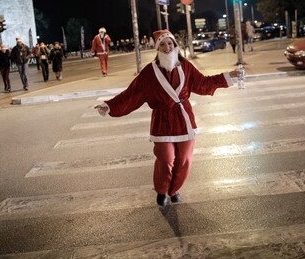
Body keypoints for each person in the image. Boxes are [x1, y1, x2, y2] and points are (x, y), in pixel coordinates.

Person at [95, 30, 239, 207]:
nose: (167, 47)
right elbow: (131, 95)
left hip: (184, 120)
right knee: (165, 159)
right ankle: (162, 191)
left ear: (175, 45)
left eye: (170, 43)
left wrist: (228, 77)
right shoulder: (149, 72)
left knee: (184, 159)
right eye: (162, 45)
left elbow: (203, 84)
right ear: (157, 48)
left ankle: (174, 190)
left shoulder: (186, 67)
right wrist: (109, 105)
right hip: (162, 122)